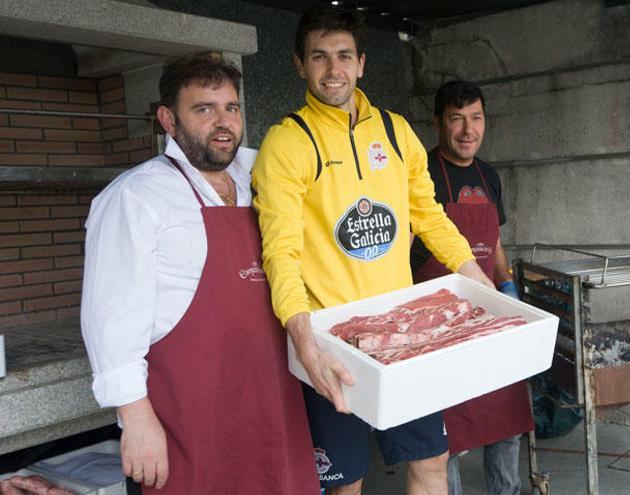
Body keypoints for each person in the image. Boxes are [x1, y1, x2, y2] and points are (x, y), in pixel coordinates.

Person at [251, 7, 494, 495]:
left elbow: (428, 216)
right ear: (300, 66)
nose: (333, 69)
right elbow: (280, 251)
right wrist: (303, 340)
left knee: (431, 459)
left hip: (403, 334)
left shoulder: (396, 132)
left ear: (361, 63)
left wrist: (474, 275)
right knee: (346, 482)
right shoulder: (285, 144)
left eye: (343, 56)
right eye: (319, 57)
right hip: (332, 341)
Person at [80, 54, 320, 495]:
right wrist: (135, 418)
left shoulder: (259, 175)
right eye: (204, 109)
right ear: (168, 120)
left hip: (274, 400)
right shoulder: (134, 198)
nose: (223, 122)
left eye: (231, 107)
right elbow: (111, 320)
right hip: (189, 416)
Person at [410, 80, 535, 495]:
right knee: (446, 436)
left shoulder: (489, 174)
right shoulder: (422, 173)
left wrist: (507, 282)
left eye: (476, 118)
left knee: (506, 423)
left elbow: (494, 241)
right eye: (457, 119)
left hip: (489, 315)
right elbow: (404, 246)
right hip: (439, 324)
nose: (468, 130)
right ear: (438, 123)